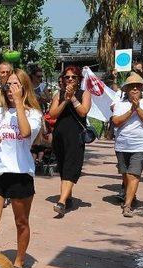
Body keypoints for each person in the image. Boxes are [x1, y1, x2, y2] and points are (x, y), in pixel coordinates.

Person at [0, 69, 42, 268]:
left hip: (21, 173)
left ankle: (19, 260)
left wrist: (18, 104)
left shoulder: (33, 114)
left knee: (21, 222)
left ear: (24, 88)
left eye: (16, 85)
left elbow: (25, 133)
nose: (10, 89)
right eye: (8, 85)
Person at [48, 65, 92, 216]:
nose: (70, 80)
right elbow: (52, 114)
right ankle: (68, 197)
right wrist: (65, 101)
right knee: (63, 167)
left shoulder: (84, 93)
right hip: (60, 135)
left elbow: (83, 112)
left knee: (71, 167)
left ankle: (61, 202)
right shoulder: (58, 94)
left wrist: (72, 98)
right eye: (67, 77)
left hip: (76, 136)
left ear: (79, 79)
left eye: (74, 77)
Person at [111, 72, 143, 218]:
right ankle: (131, 195)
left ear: (141, 89)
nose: (135, 89)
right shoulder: (119, 103)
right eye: (132, 87)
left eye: (138, 87)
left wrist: (138, 108)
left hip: (141, 144)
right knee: (125, 175)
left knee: (133, 174)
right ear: (127, 90)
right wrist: (132, 110)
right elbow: (116, 121)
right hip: (122, 144)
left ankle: (127, 205)